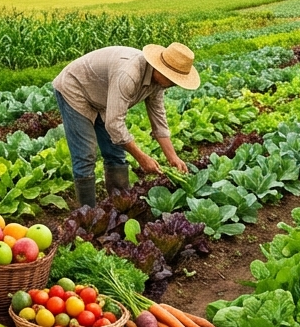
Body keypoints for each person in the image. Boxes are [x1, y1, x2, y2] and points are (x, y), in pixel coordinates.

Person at [52, 42, 201, 207]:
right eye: (172, 79)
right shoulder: (129, 74)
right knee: (85, 155)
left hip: (103, 97)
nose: (174, 84)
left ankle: (120, 206)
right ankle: (87, 215)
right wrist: (142, 157)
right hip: (75, 89)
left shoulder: (158, 83)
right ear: (159, 68)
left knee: (115, 152)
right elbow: (114, 125)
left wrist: (173, 157)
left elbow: (159, 119)